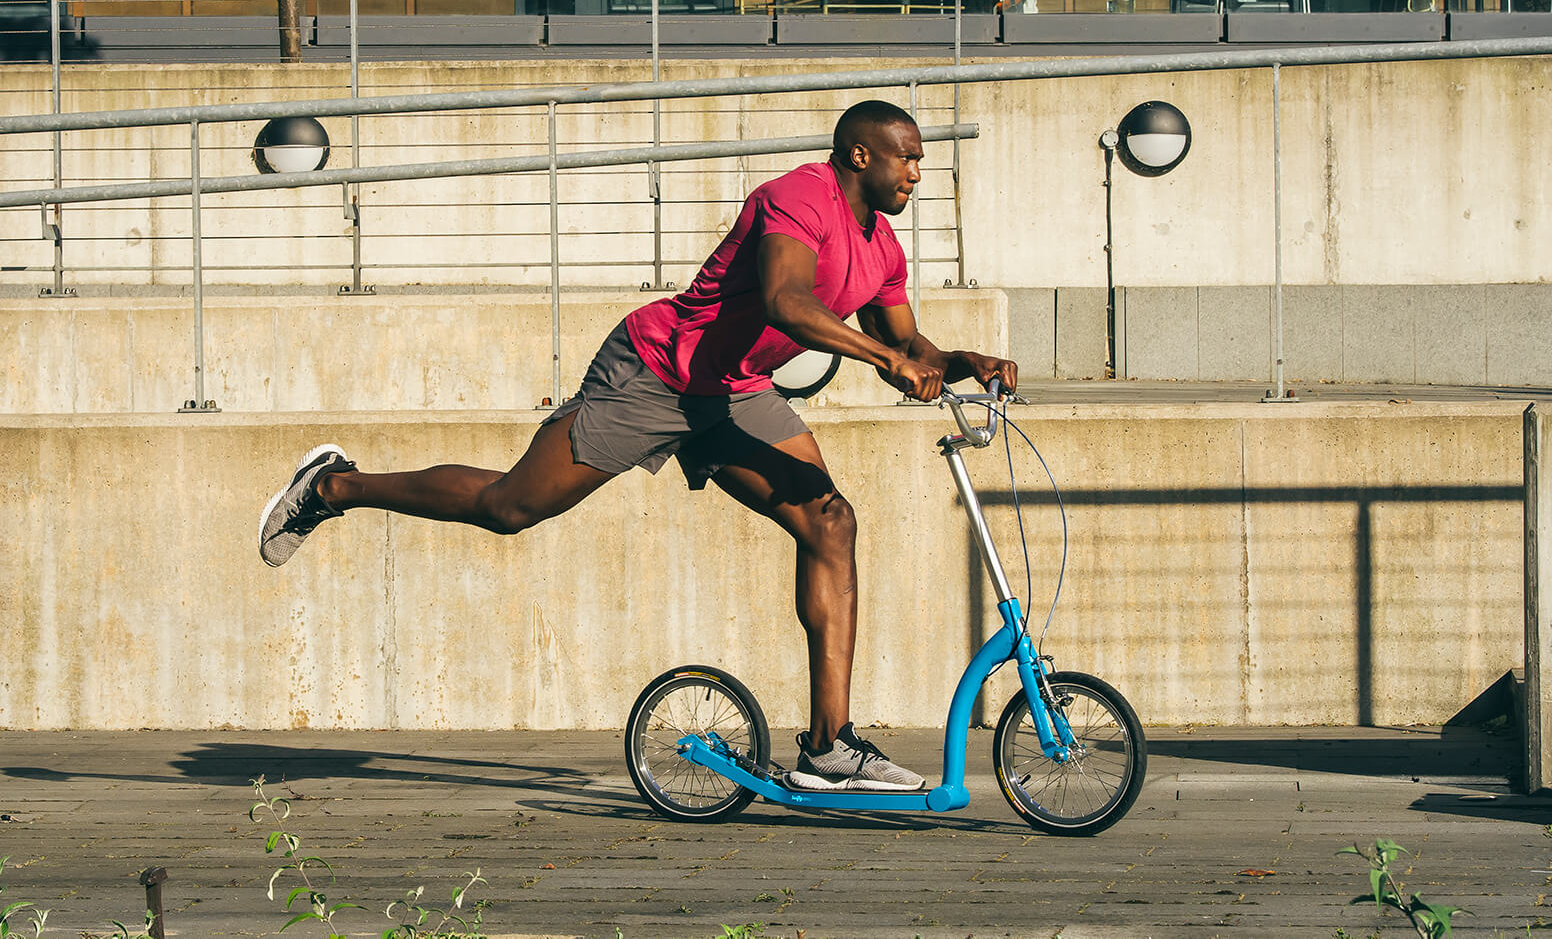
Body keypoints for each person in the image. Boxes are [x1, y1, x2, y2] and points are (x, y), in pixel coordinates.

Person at [257, 99, 1018, 793]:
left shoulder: (881, 246)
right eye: (908, 158)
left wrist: (965, 362)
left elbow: (908, 341)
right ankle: (334, 486)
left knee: (831, 522)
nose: (917, 173)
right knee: (511, 507)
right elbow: (788, 301)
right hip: (658, 372)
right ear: (861, 156)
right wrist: (887, 361)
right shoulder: (797, 197)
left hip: (736, 392)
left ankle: (829, 746)